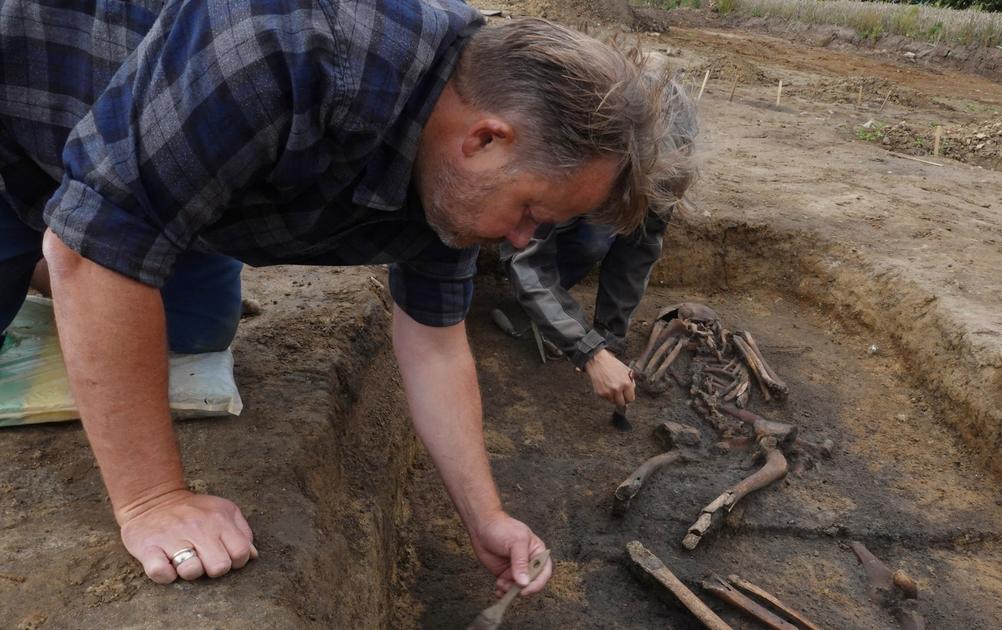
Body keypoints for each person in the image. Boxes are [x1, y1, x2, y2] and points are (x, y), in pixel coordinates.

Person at [0, 0, 698, 596]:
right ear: (485, 139)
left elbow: (435, 337)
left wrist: (486, 516)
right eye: (530, 214)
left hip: (167, 170)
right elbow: (94, 251)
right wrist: (153, 501)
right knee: (97, 258)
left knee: (192, 324)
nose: (521, 242)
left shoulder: (463, 143)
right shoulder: (292, 44)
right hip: (24, 106)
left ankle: (92, 254)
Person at [500, 75, 697, 408]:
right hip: (498, 195)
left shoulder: (665, 164)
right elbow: (526, 255)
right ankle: (536, 307)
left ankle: (554, 313)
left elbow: (640, 250)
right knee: (586, 240)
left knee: (602, 235)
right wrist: (587, 350)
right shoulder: (559, 144)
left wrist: (610, 338)